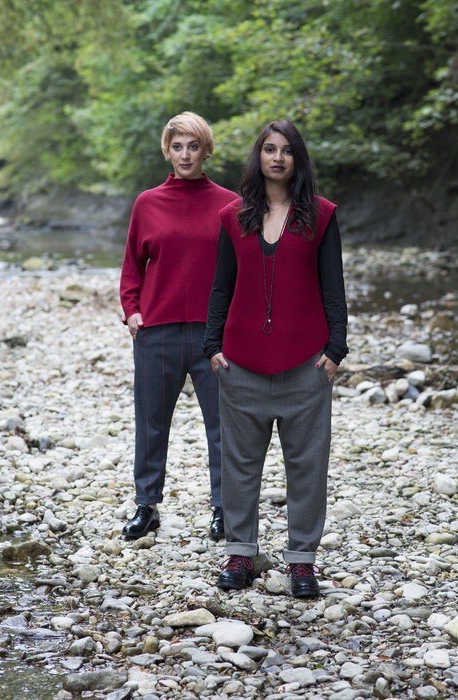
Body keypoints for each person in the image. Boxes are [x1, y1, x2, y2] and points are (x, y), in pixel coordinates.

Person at [203, 120, 348, 597]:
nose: (278, 157)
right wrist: (212, 347)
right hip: (240, 364)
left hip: (306, 366)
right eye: (269, 149)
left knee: (307, 466)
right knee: (240, 464)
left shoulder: (320, 215)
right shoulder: (233, 216)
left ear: (297, 159)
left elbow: (333, 286)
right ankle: (240, 554)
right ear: (259, 157)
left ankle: (302, 562)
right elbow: (221, 286)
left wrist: (336, 350)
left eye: (286, 150)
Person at [120, 111, 238, 540]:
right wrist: (132, 310)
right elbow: (132, 266)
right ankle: (146, 505)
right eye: (177, 146)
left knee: (223, 426)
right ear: (167, 151)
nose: (185, 155)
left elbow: (241, 270)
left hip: (214, 334)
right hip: (157, 332)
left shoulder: (230, 204)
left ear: (206, 151)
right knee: (151, 422)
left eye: (193, 146)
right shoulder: (147, 203)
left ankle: (225, 508)